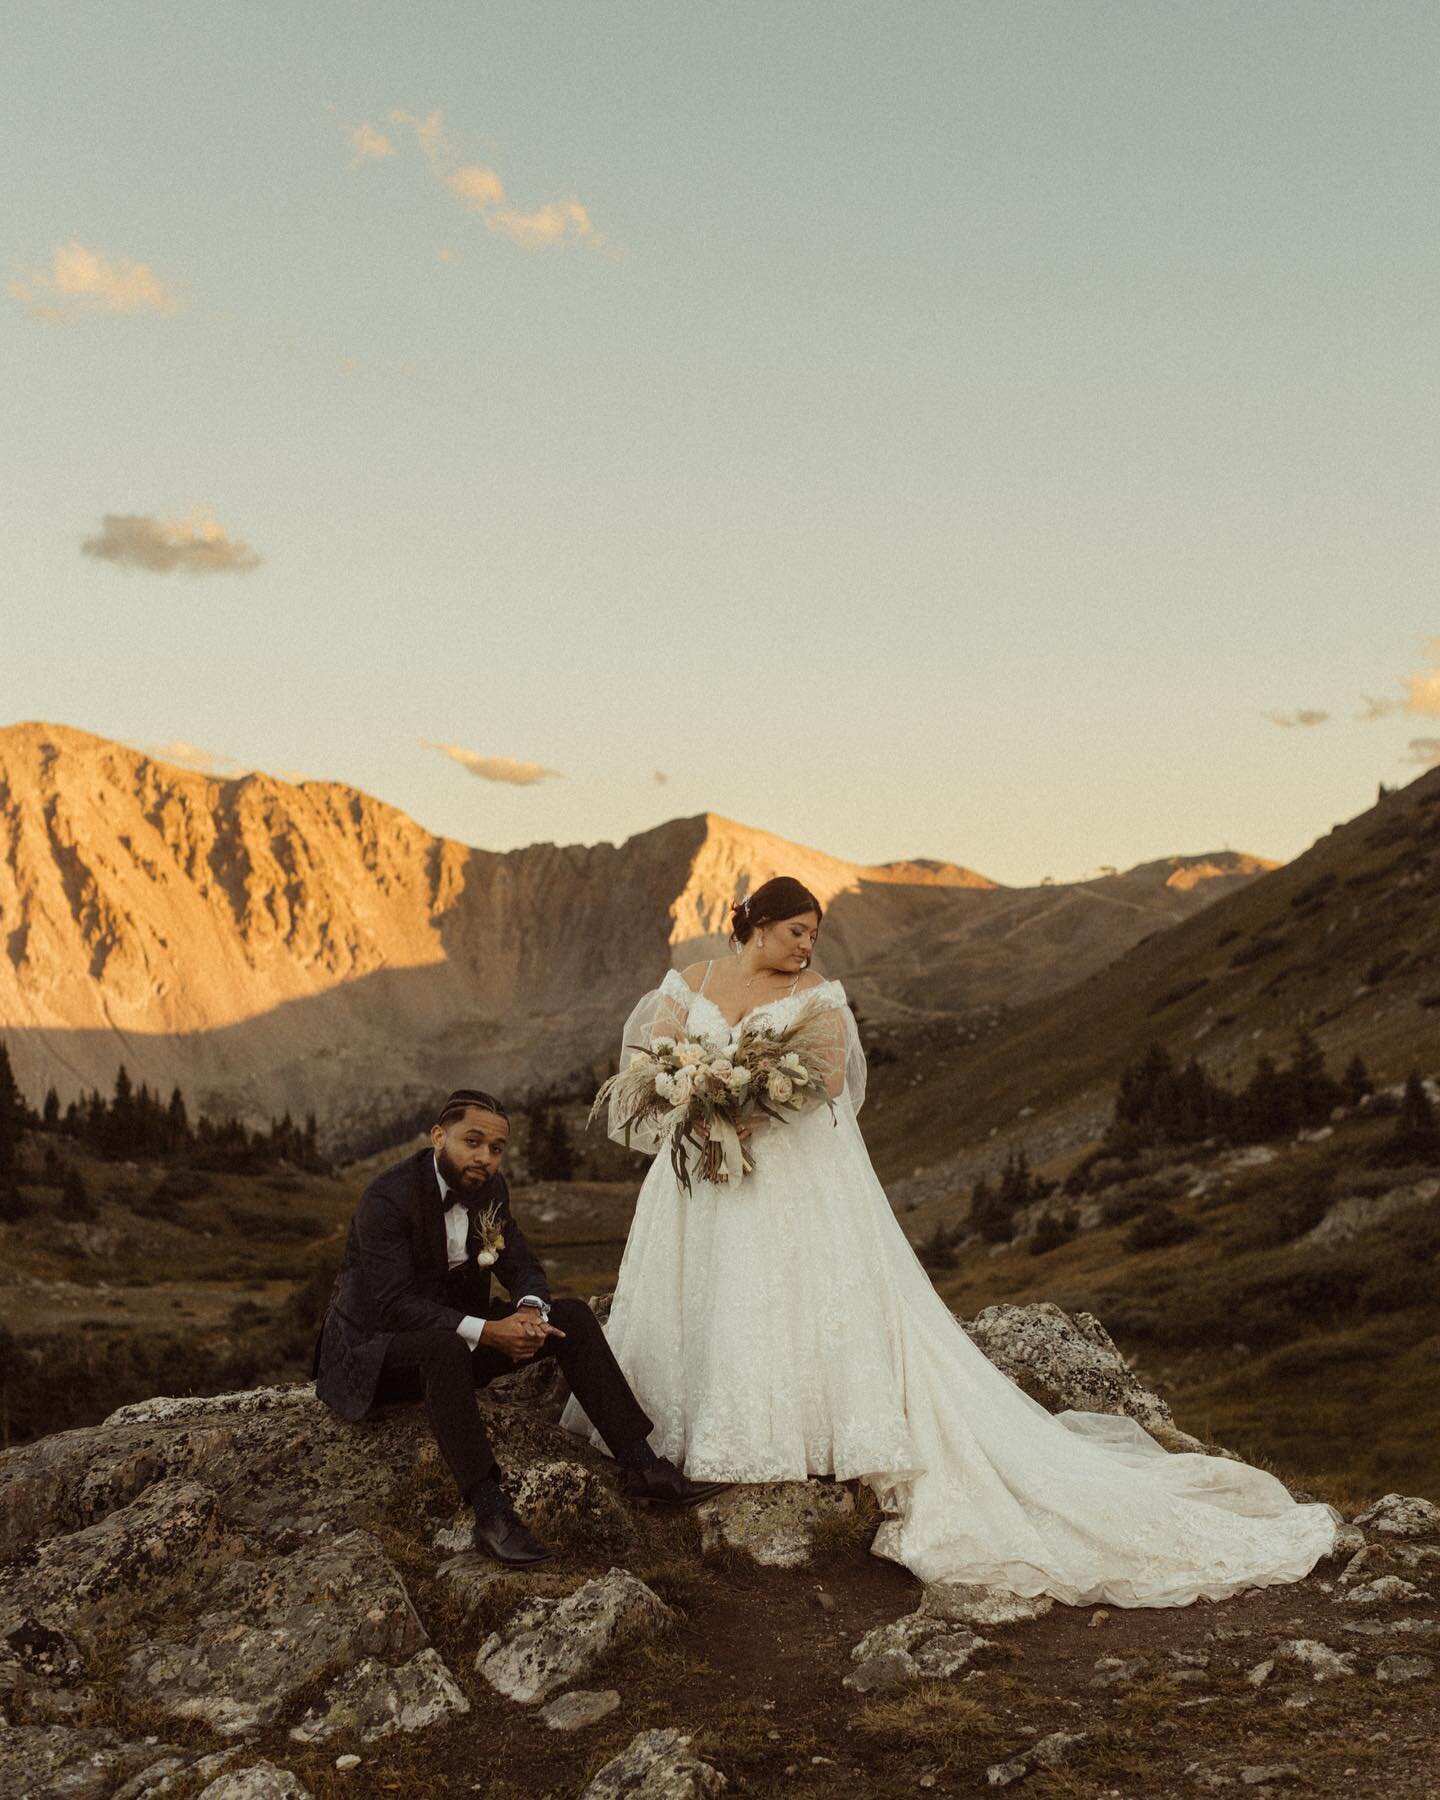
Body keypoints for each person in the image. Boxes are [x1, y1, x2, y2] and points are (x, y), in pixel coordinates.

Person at [561, 877, 1340, 1607]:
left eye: (814, 935)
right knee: (707, 1287)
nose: (807, 947)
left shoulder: (815, 995)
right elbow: (646, 1068)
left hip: (786, 1173)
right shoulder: (689, 983)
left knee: (789, 1287)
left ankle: (801, 1431)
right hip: (699, 1171)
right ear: (757, 925)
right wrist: (695, 1098)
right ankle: (690, 1427)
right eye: (797, 931)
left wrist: (753, 1106)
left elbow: (827, 1080)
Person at [314, 1088, 725, 1567]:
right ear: (438, 1137)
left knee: (568, 1316)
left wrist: (529, 1310)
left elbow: (521, 1263)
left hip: (453, 1336)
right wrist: (489, 1332)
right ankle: (490, 1513)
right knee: (443, 1349)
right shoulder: (386, 1198)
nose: (484, 1157)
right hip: (377, 1355)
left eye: (495, 1149)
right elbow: (393, 1307)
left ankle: (640, 1466)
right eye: (472, 1142)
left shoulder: (489, 1189)